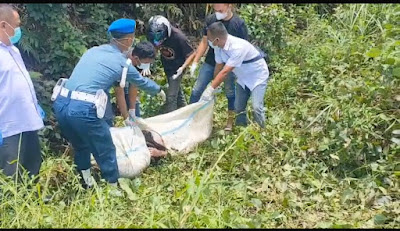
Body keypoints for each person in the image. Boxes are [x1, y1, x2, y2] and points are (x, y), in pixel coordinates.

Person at [52, 18, 165, 196]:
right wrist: (159, 90)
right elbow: (141, 82)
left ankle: (86, 182)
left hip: (61, 103)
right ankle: (112, 188)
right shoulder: (122, 63)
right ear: (128, 40)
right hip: (83, 109)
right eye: (133, 38)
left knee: (81, 146)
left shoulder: (93, 51)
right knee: (105, 147)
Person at [0, 4, 45, 179]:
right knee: (12, 173)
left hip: (27, 120)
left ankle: (35, 202)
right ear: (3, 25)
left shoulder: (13, 50)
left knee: (33, 166)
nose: (19, 29)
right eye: (16, 25)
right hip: (8, 126)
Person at [189, 4, 249, 131]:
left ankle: (230, 121)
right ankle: (190, 118)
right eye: (215, 10)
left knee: (230, 93)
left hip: (229, 66)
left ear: (229, 6)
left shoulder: (238, 24)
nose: (218, 13)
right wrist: (195, 62)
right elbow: (204, 42)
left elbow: (244, 48)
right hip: (211, 61)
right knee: (197, 90)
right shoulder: (211, 20)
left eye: (220, 10)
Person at [200, 22, 269, 128]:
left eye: (209, 38)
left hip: (257, 76)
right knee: (238, 107)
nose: (208, 41)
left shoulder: (238, 47)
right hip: (243, 78)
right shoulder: (218, 47)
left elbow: (225, 71)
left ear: (217, 39)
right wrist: (215, 85)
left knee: (257, 107)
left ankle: (263, 130)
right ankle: (241, 128)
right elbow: (219, 67)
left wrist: (210, 89)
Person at [147, 15, 196, 113]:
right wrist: (147, 63)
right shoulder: (154, 35)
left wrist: (183, 67)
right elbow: (155, 47)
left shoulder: (179, 37)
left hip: (178, 68)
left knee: (171, 96)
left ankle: (171, 118)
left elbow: (192, 54)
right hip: (167, 65)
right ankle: (184, 111)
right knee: (177, 92)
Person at [114, 41, 156, 122]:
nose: (147, 64)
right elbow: (119, 92)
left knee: (135, 113)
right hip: (108, 82)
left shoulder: (139, 60)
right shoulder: (121, 63)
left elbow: (134, 85)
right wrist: (126, 118)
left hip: (127, 74)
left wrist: (132, 110)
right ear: (136, 59)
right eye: (146, 63)